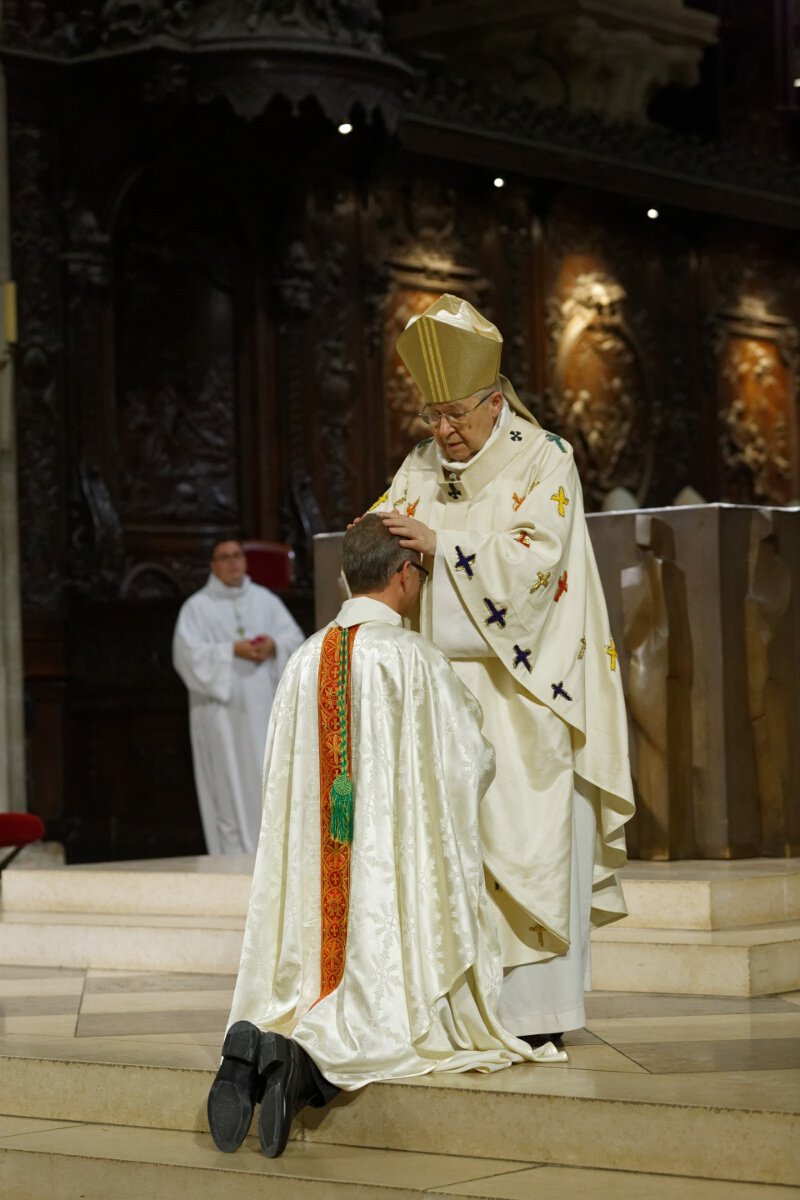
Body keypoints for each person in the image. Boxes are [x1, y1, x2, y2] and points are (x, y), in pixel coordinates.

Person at [206, 516, 550, 1160]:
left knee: (313, 971)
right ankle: (308, 1065)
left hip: (318, 865)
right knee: (385, 1007)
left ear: (346, 577)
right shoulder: (413, 659)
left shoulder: (305, 658)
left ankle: (265, 1041)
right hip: (383, 872)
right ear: (404, 575)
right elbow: (467, 761)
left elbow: (277, 772)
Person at [375, 294, 636, 1046]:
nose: (444, 432)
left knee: (527, 846)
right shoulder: (421, 462)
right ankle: (456, 1014)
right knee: (454, 854)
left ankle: (536, 1019)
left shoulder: (543, 456)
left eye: (456, 414)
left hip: (529, 694)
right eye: (432, 416)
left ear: (494, 401)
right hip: (443, 700)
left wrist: (439, 542)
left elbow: (533, 566)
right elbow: (383, 534)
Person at [172, 538, 304, 854]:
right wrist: (231, 649)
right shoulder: (197, 607)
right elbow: (186, 655)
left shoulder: (265, 600)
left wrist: (274, 645)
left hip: (262, 707)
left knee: (264, 776)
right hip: (221, 712)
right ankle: (232, 854)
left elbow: (296, 639)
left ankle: (271, 851)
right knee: (227, 782)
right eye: (225, 557)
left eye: (237, 556)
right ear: (213, 565)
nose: (233, 563)